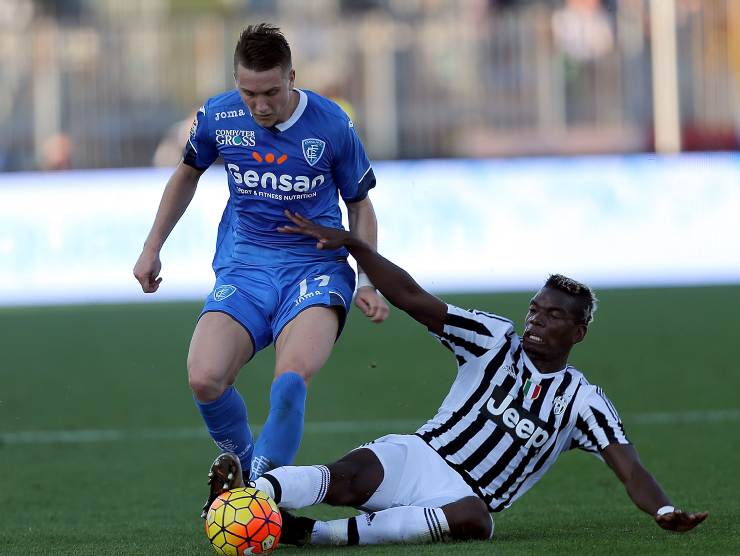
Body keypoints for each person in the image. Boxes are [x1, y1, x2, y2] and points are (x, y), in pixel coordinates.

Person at [211, 210, 706, 546]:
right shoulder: (493, 338)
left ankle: (310, 537)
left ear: (578, 332)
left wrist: (663, 511)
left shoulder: (582, 401)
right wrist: (357, 247)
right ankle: (246, 497)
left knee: (476, 521)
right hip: (422, 454)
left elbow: (630, 468)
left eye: (552, 316)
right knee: (344, 479)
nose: (535, 319)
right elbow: (412, 298)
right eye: (535, 309)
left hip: (464, 498)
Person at [132, 24, 389, 517]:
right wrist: (152, 247)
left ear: (292, 77)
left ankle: (258, 495)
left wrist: (369, 277)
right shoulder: (219, 116)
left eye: (272, 91)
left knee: (290, 378)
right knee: (205, 379)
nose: (261, 105)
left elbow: (360, 204)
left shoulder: (331, 124)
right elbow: (186, 174)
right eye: (250, 92)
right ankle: (250, 476)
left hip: (314, 270)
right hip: (245, 268)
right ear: (236, 82)